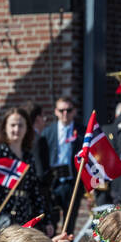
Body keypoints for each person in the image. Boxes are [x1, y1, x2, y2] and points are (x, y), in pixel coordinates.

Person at [0, 108, 49, 234]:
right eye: (12, 125)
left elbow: (35, 191)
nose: (17, 129)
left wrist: (45, 220)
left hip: (24, 216)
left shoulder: (28, 156)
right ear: (5, 127)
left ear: (26, 128)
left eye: (20, 125)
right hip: (1, 217)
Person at [37, 97, 79, 229]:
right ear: (56, 112)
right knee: (51, 222)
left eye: (68, 110)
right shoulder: (48, 132)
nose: (65, 113)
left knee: (69, 224)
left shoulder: (82, 132)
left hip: (72, 182)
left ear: (74, 112)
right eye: (61, 110)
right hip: (53, 183)